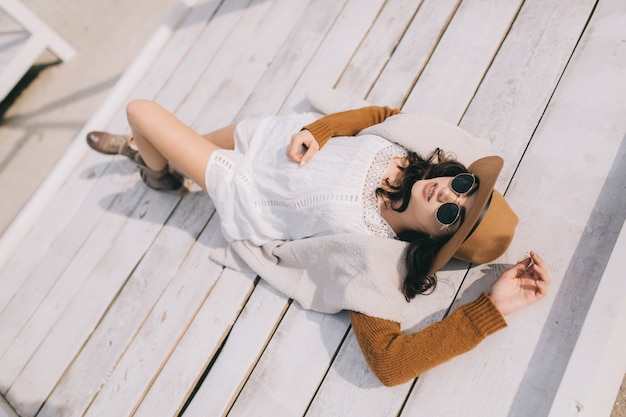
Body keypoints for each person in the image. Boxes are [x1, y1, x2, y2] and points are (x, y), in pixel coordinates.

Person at [86, 101, 550, 386]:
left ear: (435, 240)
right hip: (273, 138)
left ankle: (152, 168)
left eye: (452, 214)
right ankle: (153, 164)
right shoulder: (409, 154)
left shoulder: (374, 253)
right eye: (465, 184)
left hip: (250, 188)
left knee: (142, 110)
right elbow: (380, 114)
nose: (448, 194)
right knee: (169, 140)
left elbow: (391, 365)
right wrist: (321, 130)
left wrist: (491, 309)